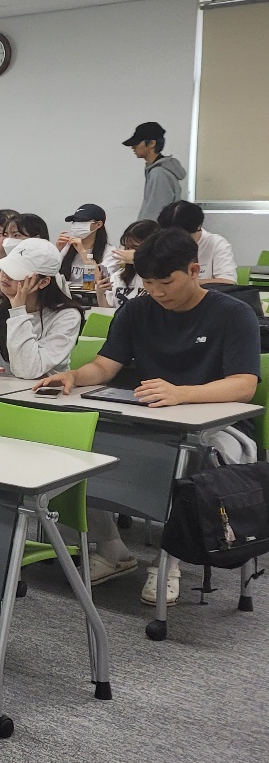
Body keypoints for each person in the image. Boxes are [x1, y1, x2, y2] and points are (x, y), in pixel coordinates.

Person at [35, 228, 260, 604]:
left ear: (193, 270)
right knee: (79, 446)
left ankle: (168, 561)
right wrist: (73, 376)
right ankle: (112, 550)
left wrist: (182, 394)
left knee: (188, 460)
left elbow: (244, 385)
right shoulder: (137, 310)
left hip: (218, 428)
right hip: (150, 417)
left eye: (166, 283)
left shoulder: (233, 314)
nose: (157, 292)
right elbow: (105, 367)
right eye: (149, 283)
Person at [0, 238, 82, 379]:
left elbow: (28, 370)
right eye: (6, 267)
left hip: (42, 390)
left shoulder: (67, 317)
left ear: (43, 282)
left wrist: (18, 311)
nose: (5, 276)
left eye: (16, 273)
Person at [157, 200, 237, 285]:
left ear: (198, 226)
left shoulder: (216, 244)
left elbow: (228, 281)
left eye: (184, 235)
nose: (176, 241)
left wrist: (188, 285)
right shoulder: (159, 243)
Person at [124, 121, 187, 221]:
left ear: (152, 143)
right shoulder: (158, 170)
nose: (133, 147)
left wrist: (143, 229)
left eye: (137, 143)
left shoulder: (159, 173)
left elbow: (155, 212)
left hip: (155, 230)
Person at [100, 219, 158, 309]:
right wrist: (100, 293)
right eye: (127, 247)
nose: (128, 252)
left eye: (135, 248)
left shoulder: (160, 277)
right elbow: (108, 311)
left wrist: (139, 260)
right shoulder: (118, 276)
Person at [58, 204, 109, 293]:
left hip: (92, 298)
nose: (77, 225)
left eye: (82, 221)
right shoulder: (67, 247)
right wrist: (57, 251)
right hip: (67, 297)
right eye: (75, 221)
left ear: (98, 224)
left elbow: (102, 284)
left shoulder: (109, 252)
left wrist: (83, 253)